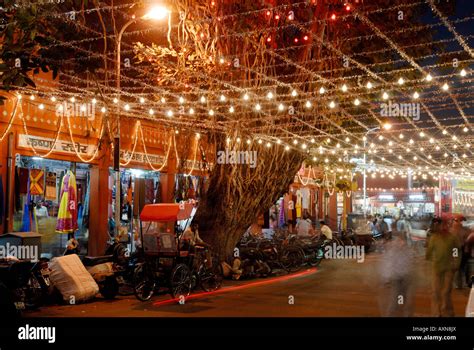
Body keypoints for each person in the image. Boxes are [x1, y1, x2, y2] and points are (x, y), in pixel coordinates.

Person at [425, 217, 462, 317]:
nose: (444, 227)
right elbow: (428, 254)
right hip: (436, 269)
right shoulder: (434, 238)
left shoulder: (452, 238)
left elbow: (456, 251)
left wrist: (456, 263)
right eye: (442, 225)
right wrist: (430, 257)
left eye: (445, 225)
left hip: (449, 269)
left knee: (446, 292)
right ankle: (436, 313)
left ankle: (447, 312)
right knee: (435, 292)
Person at [378, 232, 416, 316]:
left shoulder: (406, 250)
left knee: (405, 301)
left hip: (406, 278)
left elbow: (410, 263)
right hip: (397, 279)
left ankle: (402, 314)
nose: (401, 242)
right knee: (395, 300)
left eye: (402, 240)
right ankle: (391, 314)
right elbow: (389, 264)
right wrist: (386, 279)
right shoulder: (393, 250)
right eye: (400, 240)